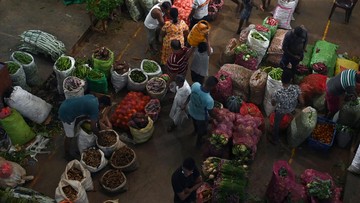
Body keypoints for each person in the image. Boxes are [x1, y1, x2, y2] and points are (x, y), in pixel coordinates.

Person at [58, 94, 111, 160]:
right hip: (66, 113)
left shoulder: (92, 97)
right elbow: (93, 128)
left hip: (66, 104)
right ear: (102, 104)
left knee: (79, 123)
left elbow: (85, 110)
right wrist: (99, 137)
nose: (103, 109)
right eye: (104, 107)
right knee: (69, 136)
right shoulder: (94, 108)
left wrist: (96, 116)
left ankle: (74, 130)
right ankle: (67, 154)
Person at [269, 69, 304, 145]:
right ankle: (289, 127)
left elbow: (273, 104)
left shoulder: (277, 92)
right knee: (292, 114)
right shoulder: (296, 88)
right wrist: (300, 107)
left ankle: (275, 139)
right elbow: (302, 101)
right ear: (291, 79)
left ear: (281, 79)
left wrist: (272, 97)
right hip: (292, 108)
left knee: (276, 124)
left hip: (281, 111)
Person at [188, 76, 219, 147]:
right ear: (212, 87)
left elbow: (190, 95)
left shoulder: (195, 85)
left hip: (191, 110)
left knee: (194, 123)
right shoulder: (209, 100)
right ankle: (198, 143)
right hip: (201, 117)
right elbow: (210, 113)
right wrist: (216, 118)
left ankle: (195, 130)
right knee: (201, 131)